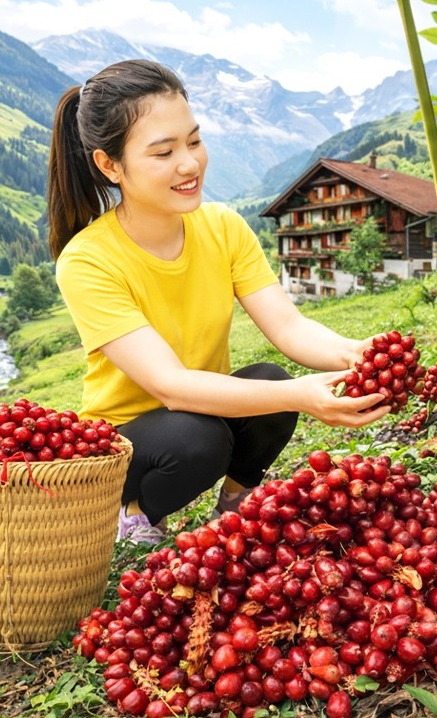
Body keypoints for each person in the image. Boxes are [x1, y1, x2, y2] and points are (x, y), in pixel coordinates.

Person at [47, 59, 390, 545]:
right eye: (163, 152)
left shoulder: (223, 226)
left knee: (270, 383)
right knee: (198, 439)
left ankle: (234, 506)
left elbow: (290, 330)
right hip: (126, 443)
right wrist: (304, 397)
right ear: (110, 165)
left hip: (198, 407)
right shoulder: (88, 260)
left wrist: (360, 353)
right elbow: (172, 387)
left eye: (194, 141)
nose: (189, 164)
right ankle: (137, 513)